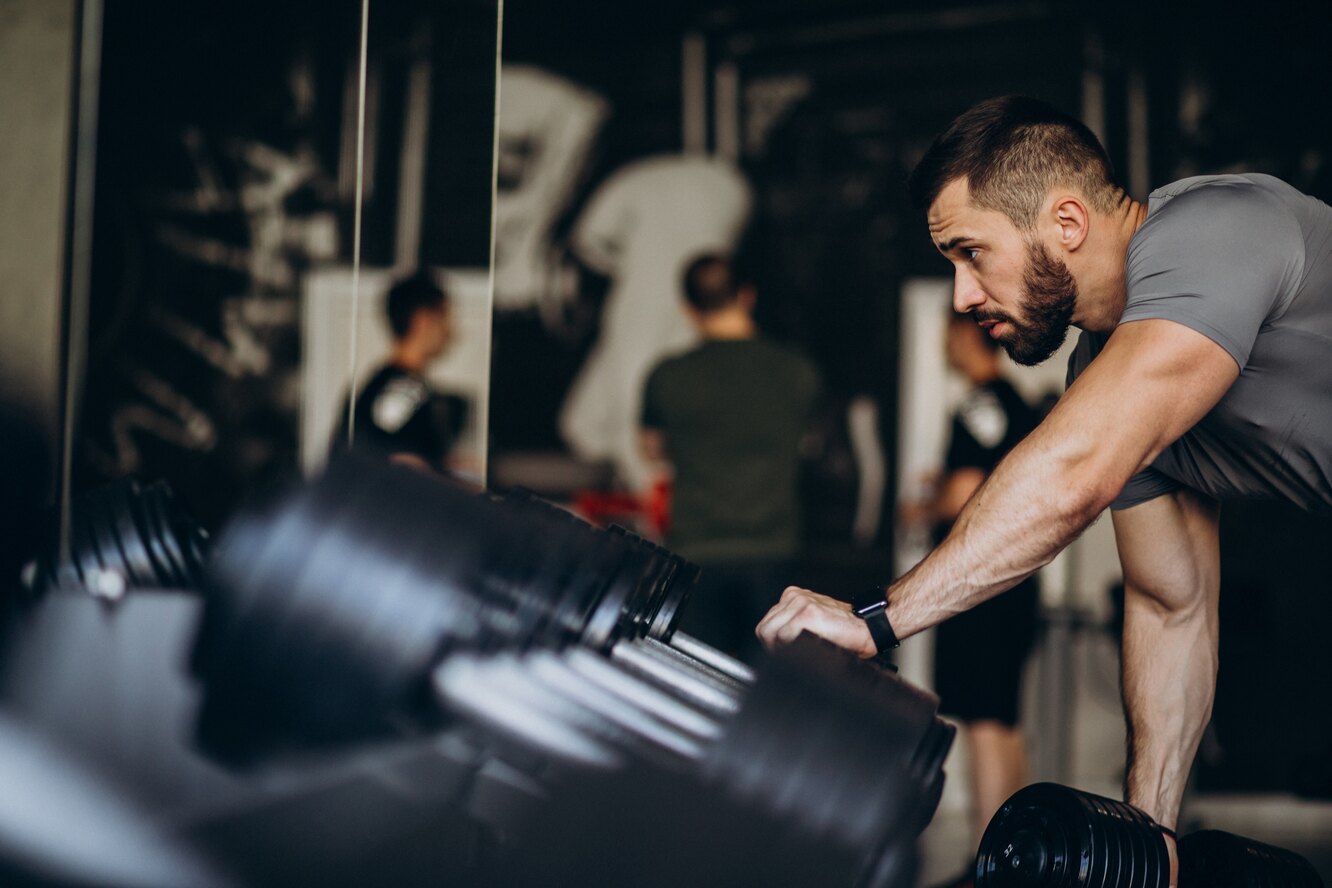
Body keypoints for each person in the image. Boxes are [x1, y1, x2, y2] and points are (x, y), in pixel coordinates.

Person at [755, 95, 1332, 883]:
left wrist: (876, 621)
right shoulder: (1102, 375)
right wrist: (1147, 844)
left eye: (970, 254)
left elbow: (1074, 472)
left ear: (1065, 224)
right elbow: (1172, 606)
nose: (961, 296)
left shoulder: (1217, 230)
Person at [906, 312, 1039, 886]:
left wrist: (925, 508)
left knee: (984, 720)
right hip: (1016, 583)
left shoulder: (978, 405)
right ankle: (1019, 858)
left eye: (949, 333)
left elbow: (966, 493)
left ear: (969, 337)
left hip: (981, 587)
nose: (944, 345)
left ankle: (988, 863)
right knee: (1003, 720)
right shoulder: (1017, 402)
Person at [641, 253, 820, 661]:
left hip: (695, 550)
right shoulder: (796, 371)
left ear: (688, 309)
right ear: (747, 296)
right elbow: (811, 444)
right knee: (765, 691)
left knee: (696, 683)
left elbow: (652, 449)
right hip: (772, 549)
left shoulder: (667, 375)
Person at [333, 271, 466, 474]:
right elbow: (378, 461)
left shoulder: (401, 386)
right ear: (423, 320)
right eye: (444, 318)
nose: (450, 331)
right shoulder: (401, 391)